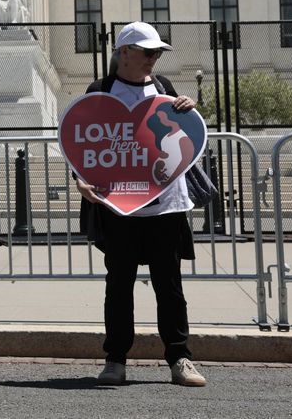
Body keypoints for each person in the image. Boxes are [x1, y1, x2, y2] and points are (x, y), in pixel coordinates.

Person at [76, 21, 207, 387]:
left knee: (169, 284)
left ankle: (180, 358)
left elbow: (184, 137)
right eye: (148, 52)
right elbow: (83, 145)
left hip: (165, 205)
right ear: (125, 53)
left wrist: (188, 111)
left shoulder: (165, 89)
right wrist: (80, 181)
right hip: (119, 207)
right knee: (119, 284)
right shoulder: (99, 91)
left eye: (157, 53)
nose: (154, 59)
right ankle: (115, 359)